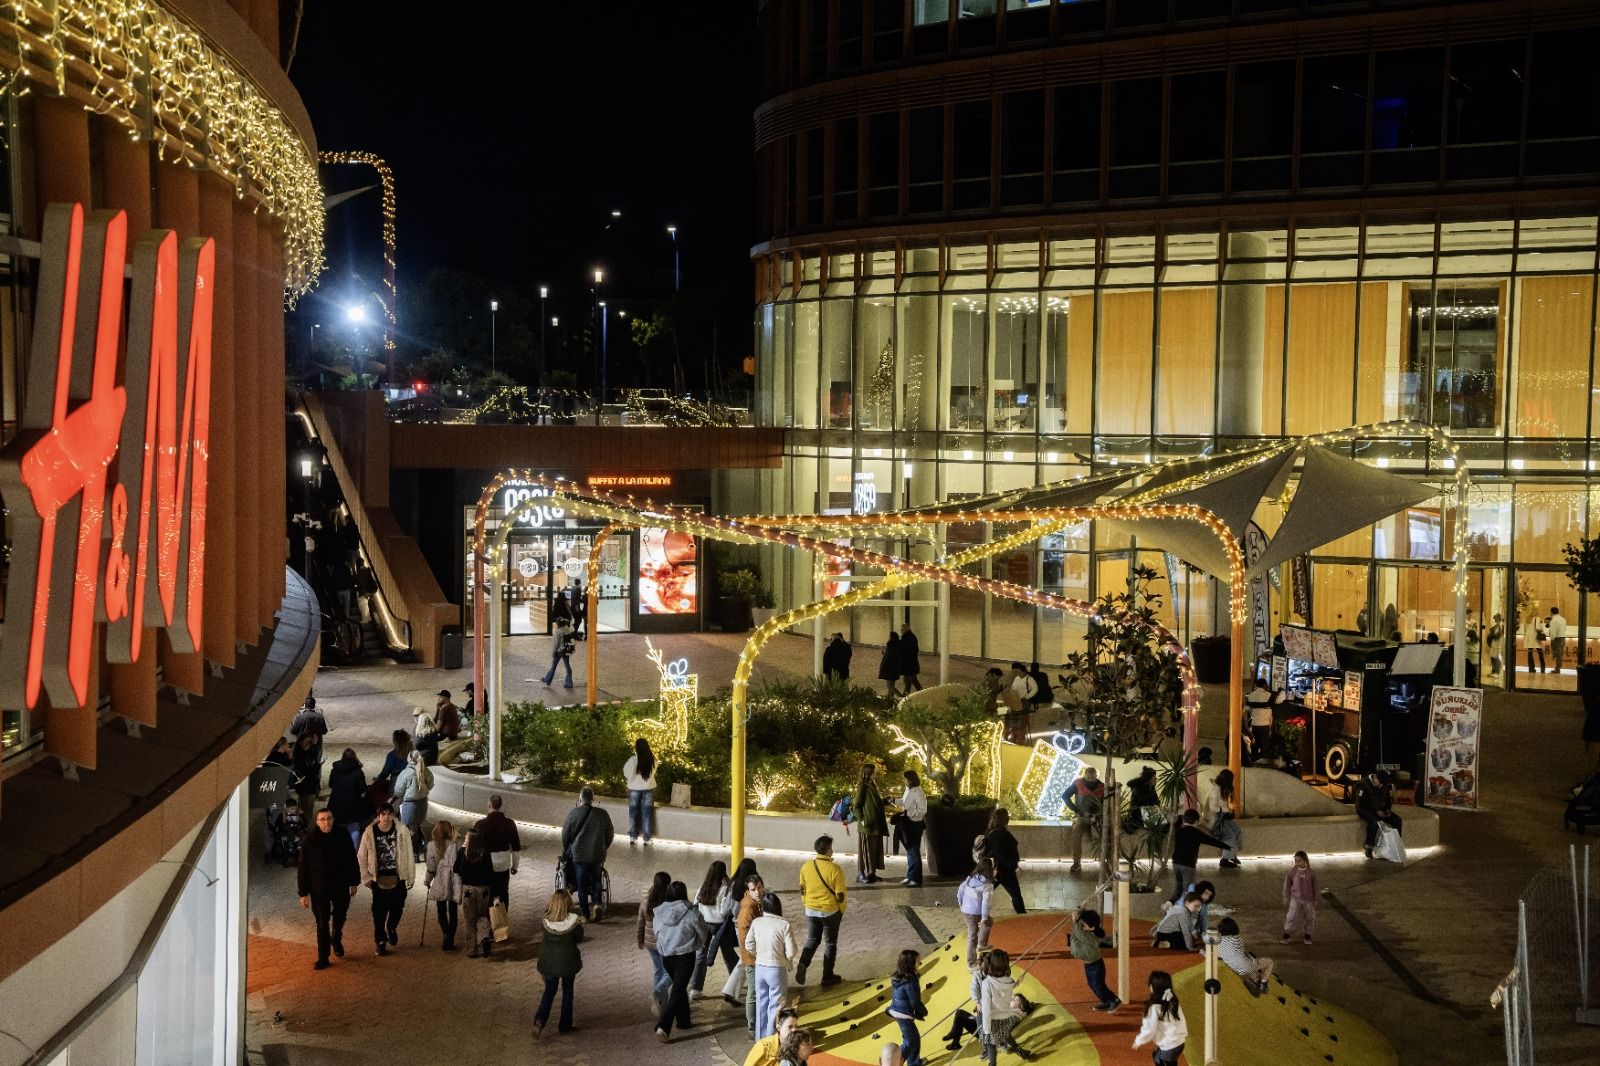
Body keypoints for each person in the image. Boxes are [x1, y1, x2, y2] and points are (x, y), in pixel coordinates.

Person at [297, 807, 359, 970]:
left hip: (340, 885)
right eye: (322, 819)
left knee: (340, 916)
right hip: (319, 889)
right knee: (322, 923)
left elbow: (352, 858)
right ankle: (323, 957)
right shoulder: (309, 840)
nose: (326, 822)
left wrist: (354, 882)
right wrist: (303, 893)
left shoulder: (342, 835)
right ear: (317, 822)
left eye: (329, 818)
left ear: (333, 819)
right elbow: (303, 868)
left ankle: (336, 937)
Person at [356, 805, 416, 956]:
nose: (386, 817)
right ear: (378, 816)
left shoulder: (402, 830)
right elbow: (362, 856)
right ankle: (380, 941)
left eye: (389, 814)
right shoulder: (369, 833)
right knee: (378, 912)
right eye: (383, 814)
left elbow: (409, 853)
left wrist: (410, 875)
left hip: (398, 877)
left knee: (398, 907)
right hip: (378, 879)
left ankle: (391, 927)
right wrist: (366, 878)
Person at [653, 881, 706, 1043]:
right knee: (677, 989)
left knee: (679, 987)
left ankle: (684, 1021)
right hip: (685, 956)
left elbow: (656, 932)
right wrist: (695, 944)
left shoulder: (659, 912)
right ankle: (664, 1025)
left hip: (666, 956)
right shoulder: (693, 913)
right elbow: (702, 934)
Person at [796, 834, 848, 986]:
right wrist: (841, 910)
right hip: (830, 911)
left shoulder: (806, 866)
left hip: (811, 910)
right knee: (830, 943)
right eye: (831, 847)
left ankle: (803, 963)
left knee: (812, 940)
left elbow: (802, 889)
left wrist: (806, 904)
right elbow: (840, 895)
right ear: (827, 850)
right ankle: (827, 975)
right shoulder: (835, 869)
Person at [745, 891, 798, 1039]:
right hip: (777, 969)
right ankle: (771, 1039)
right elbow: (792, 950)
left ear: (763, 908)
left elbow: (748, 945)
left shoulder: (757, 922)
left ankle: (760, 1040)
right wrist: (785, 957)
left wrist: (758, 954)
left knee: (761, 1003)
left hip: (760, 968)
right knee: (776, 1007)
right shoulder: (784, 925)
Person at [534, 888, 585, 1036]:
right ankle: (565, 1024)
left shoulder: (545, 921)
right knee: (568, 991)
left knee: (549, 991)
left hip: (549, 962)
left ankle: (539, 1020)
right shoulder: (574, 922)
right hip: (568, 961)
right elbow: (579, 938)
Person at [561, 786, 614, 920]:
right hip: (597, 853)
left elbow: (566, 835)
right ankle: (596, 904)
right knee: (596, 879)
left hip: (579, 855)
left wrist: (567, 849)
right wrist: (603, 846)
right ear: (593, 799)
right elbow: (610, 834)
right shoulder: (603, 814)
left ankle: (585, 914)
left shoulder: (573, 814)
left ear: (580, 798)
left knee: (581, 884)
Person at [972, 948, 1032, 1064]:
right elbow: (1008, 988)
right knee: (1005, 1034)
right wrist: (1018, 982)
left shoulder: (987, 983)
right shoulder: (1009, 981)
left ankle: (992, 1064)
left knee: (990, 1044)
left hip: (992, 1019)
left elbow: (986, 1010)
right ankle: (1019, 1050)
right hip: (1004, 1017)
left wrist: (987, 1030)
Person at [690, 860, 737, 997]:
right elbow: (723, 912)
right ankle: (734, 983)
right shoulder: (724, 889)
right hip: (720, 927)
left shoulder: (703, 887)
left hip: (703, 925)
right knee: (728, 954)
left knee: (701, 956)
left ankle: (695, 989)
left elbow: (695, 904)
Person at [453, 828, 497, 957]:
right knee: (483, 915)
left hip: (468, 890)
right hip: (484, 889)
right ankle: (484, 938)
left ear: (470, 840)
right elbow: (491, 872)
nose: (465, 839)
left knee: (470, 919)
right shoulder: (486, 853)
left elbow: (457, 869)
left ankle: (472, 949)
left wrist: (462, 849)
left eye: (466, 837)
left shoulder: (463, 852)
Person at [474, 793, 521, 910]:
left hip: (486, 865)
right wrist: (515, 866)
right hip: (503, 865)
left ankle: (489, 919)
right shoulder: (510, 823)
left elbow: (474, 847)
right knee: (503, 891)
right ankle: (502, 918)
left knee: (487, 892)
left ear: (489, 805)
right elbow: (516, 847)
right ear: (500, 806)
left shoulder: (480, 824)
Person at [733, 873, 766, 1032]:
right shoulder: (747, 909)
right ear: (748, 890)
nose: (757, 892)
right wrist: (757, 956)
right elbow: (746, 940)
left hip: (758, 956)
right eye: (753, 889)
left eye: (759, 888)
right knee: (753, 992)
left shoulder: (759, 903)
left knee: (758, 990)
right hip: (753, 959)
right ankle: (752, 1025)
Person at [1069, 908, 1120, 1012]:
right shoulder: (1084, 933)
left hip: (1096, 966)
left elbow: (1078, 933)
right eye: (1081, 925)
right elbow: (1077, 933)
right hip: (1089, 965)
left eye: (1083, 926)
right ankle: (1105, 1001)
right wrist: (1078, 916)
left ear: (1092, 928)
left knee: (1098, 985)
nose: (1081, 927)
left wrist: (1074, 921)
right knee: (1092, 984)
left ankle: (1113, 999)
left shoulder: (1091, 938)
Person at [1132, 970, 1187, 1066]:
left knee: (1161, 1061)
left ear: (1153, 987)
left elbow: (1149, 1029)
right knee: (1156, 1057)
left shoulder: (1154, 1007)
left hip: (1170, 1044)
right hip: (1178, 1042)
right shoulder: (1171, 999)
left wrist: (1139, 1041)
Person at [637, 871, 674, 1013]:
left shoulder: (646, 901)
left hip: (650, 943)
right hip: (665, 943)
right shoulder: (669, 902)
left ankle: (661, 1005)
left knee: (658, 970)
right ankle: (659, 992)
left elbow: (640, 922)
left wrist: (640, 940)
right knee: (669, 972)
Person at [423, 820, 462, 951]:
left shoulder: (431, 846)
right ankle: (450, 938)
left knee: (441, 911)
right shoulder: (454, 845)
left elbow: (431, 867)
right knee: (453, 911)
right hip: (452, 881)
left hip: (439, 882)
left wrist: (428, 880)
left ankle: (445, 933)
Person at [887, 948, 929, 1066]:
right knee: (912, 1041)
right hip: (903, 1014)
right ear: (911, 964)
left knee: (911, 1039)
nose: (920, 964)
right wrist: (923, 1011)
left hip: (897, 1010)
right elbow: (915, 1002)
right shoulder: (911, 982)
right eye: (918, 962)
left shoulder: (899, 977)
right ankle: (893, 1062)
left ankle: (914, 1062)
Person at [982, 808, 1025, 914]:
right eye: (1007, 816)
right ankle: (1022, 917)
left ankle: (976, 913)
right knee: (1016, 895)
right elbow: (1000, 852)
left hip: (993, 870)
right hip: (1004, 870)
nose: (1009, 818)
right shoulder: (1001, 834)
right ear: (1005, 819)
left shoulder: (990, 831)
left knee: (984, 893)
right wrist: (1013, 865)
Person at [1216, 917, 1274, 993]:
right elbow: (1242, 952)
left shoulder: (1217, 940)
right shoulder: (1237, 938)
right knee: (1269, 962)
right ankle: (1263, 983)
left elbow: (1219, 955)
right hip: (1246, 967)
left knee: (1245, 961)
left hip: (1233, 967)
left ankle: (1255, 979)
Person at [1064, 767, 1104, 873]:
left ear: (1096, 776)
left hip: (1097, 818)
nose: (1091, 780)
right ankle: (1076, 863)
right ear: (1085, 775)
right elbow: (1065, 796)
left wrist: (1100, 814)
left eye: (1093, 778)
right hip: (1081, 817)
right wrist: (1076, 810)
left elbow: (1106, 803)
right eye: (1089, 777)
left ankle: (1105, 863)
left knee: (1104, 837)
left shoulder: (1102, 786)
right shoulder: (1077, 784)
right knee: (1075, 836)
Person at [956, 858, 995, 967]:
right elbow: (985, 903)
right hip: (974, 912)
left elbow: (960, 890)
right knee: (972, 936)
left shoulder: (971, 878)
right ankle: (971, 963)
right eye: (995, 868)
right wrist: (983, 917)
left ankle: (981, 945)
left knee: (989, 922)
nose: (996, 870)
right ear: (990, 870)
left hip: (967, 910)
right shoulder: (987, 885)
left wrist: (961, 903)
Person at [392, 748, 431, 855]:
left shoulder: (406, 773)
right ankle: (420, 847)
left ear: (409, 759)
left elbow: (398, 792)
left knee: (408, 829)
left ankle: (412, 852)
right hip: (423, 805)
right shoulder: (426, 771)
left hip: (410, 807)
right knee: (416, 826)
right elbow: (431, 785)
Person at [325, 748, 367, 847]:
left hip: (336, 805)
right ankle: (354, 854)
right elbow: (363, 789)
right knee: (354, 829)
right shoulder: (358, 772)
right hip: (353, 806)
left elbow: (331, 785)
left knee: (336, 829)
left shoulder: (335, 770)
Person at [854, 762, 888, 884]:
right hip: (867, 826)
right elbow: (856, 806)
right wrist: (863, 820)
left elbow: (874, 803)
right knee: (865, 850)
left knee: (873, 849)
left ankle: (871, 873)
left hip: (875, 825)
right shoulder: (863, 786)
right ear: (869, 773)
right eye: (875, 772)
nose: (876, 774)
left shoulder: (872, 785)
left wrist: (885, 801)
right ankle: (861, 873)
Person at [1356, 771, 1403, 859]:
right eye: (1380, 783)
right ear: (1375, 778)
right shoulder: (1363, 785)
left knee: (1397, 820)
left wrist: (1387, 810)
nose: (1381, 786)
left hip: (1380, 809)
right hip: (1365, 809)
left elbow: (1388, 799)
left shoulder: (1384, 784)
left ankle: (1395, 845)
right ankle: (1368, 847)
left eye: (1383, 784)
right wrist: (1376, 811)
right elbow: (1362, 803)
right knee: (1374, 822)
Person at [1202, 769, 1242, 868]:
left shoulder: (1222, 789)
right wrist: (1226, 811)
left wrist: (1228, 811)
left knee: (1238, 829)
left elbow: (1222, 806)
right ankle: (1224, 860)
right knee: (1230, 836)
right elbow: (1212, 808)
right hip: (1215, 820)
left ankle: (1232, 855)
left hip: (1222, 817)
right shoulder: (1215, 790)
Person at [624, 737, 657, 846]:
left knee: (633, 813)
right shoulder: (653, 760)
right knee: (647, 814)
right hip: (648, 790)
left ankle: (633, 837)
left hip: (634, 790)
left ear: (636, 748)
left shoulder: (632, 760)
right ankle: (647, 839)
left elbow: (626, 773)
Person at [1281, 851, 1319, 945]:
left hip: (1308, 900)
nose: (1297, 862)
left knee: (1310, 917)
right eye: (1296, 860)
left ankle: (1308, 935)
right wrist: (1286, 896)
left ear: (1305, 860)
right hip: (1295, 899)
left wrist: (1316, 899)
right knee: (1291, 916)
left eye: (1300, 860)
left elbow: (1316, 887)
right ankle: (1287, 934)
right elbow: (1287, 884)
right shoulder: (1292, 872)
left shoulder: (1311, 873)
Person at [899, 769, 928, 886]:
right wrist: (894, 801)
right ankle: (910, 875)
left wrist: (908, 813)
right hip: (908, 823)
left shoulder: (919, 793)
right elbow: (905, 803)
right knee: (910, 850)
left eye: (904, 778)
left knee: (914, 850)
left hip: (915, 824)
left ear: (910, 780)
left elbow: (922, 810)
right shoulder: (908, 790)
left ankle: (916, 879)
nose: (903, 780)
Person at [1245, 679, 1283, 765]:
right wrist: (1282, 690)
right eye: (1267, 685)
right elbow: (1279, 700)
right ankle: (1264, 767)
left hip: (1254, 725)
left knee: (1254, 746)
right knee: (1264, 747)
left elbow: (1247, 709)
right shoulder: (1268, 695)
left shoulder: (1250, 696)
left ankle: (1254, 763)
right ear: (1264, 685)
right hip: (1264, 726)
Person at [289, 697, 329, 764]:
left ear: (305, 705)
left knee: (302, 763)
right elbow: (324, 731)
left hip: (303, 745)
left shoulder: (300, 717)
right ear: (314, 705)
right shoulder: (320, 717)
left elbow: (293, 731)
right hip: (317, 745)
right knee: (316, 763)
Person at [290, 731, 321, 811]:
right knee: (304, 808)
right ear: (301, 741)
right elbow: (307, 768)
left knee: (306, 807)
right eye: (307, 741)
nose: (308, 744)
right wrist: (317, 766)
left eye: (309, 742)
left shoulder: (302, 750)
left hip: (307, 785)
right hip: (305, 784)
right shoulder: (299, 753)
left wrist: (313, 745)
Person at [543, 618, 576, 688]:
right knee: (568, 667)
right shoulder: (568, 629)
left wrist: (553, 653)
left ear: (558, 624)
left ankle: (547, 680)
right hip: (566, 650)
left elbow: (556, 644)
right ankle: (569, 683)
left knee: (553, 667)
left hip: (559, 651)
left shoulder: (558, 632)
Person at [899, 622, 923, 692]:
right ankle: (905, 697)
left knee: (912, 679)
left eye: (902, 629)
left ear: (907, 629)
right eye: (901, 629)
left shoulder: (907, 638)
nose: (901, 631)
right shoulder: (910, 637)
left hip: (909, 664)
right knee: (907, 681)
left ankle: (921, 692)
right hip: (910, 664)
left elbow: (905, 651)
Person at [879, 631, 903, 698]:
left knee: (890, 687)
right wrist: (885, 653)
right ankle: (890, 700)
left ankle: (902, 697)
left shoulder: (890, 646)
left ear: (891, 637)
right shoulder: (897, 645)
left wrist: (884, 666)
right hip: (895, 669)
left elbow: (888, 658)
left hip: (889, 670)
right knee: (891, 687)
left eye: (889, 636)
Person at [1549, 605, 1569, 672]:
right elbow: (1564, 628)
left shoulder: (1554, 620)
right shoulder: (1563, 619)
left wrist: (1552, 638)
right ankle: (1558, 668)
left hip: (1557, 638)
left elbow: (1553, 630)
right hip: (1563, 637)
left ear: (1551, 612)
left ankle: (1557, 669)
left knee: (1557, 654)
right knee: (1560, 654)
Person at [1487, 613, 1505, 678]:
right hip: (1493, 644)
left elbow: (1497, 635)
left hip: (1497, 644)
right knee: (1492, 657)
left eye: (1496, 619)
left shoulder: (1500, 626)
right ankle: (1493, 671)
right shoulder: (1496, 626)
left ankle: (1497, 672)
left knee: (1495, 657)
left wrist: (1490, 635)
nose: (1495, 620)